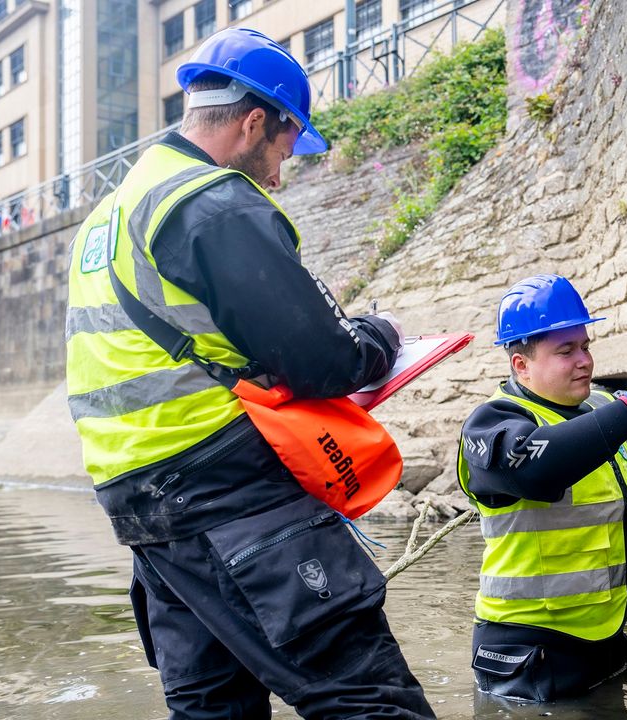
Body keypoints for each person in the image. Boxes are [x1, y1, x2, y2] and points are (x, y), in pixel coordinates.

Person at [63, 28, 434, 719]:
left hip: (143, 508)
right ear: (255, 121)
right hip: (228, 495)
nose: (285, 163)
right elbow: (321, 359)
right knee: (368, 701)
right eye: (289, 139)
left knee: (213, 709)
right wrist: (379, 339)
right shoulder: (213, 202)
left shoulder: (112, 215)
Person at [456, 274, 627, 702]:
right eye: (565, 351)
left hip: (605, 636)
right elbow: (541, 468)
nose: (584, 360)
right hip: (526, 649)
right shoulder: (491, 423)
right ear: (521, 364)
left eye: (585, 346)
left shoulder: (605, 408)